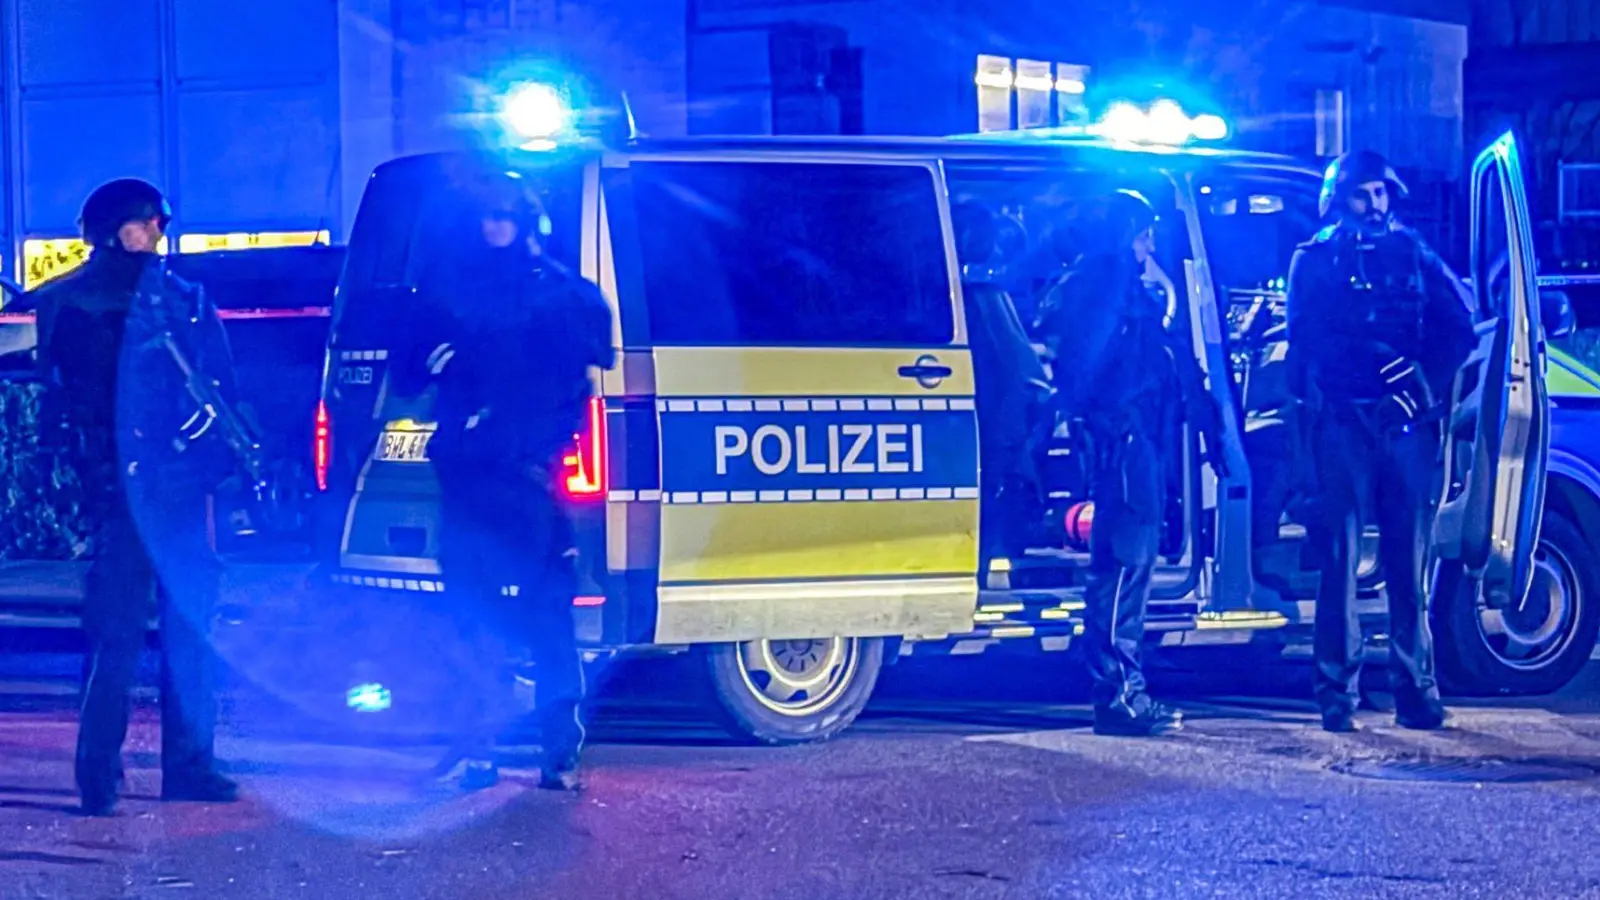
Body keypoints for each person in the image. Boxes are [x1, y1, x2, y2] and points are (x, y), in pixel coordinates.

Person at [33, 178, 240, 816]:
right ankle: (166, 767)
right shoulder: (163, 302)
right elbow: (80, 405)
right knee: (153, 632)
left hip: (143, 492)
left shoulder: (79, 302)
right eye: (148, 222)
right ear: (118, 228)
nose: (157, 232)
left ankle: (111, 775)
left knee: (131, 634)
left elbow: (217, 394)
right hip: (146, 493)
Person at [419, 174, 614, 791]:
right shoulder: (459, 293)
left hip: (529, 482)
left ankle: (559, 751)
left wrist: (525, 441)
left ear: (527, 223)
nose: (493, 229)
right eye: (486, 219)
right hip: (470, 482)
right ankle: (477, 750)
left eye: (504, 218)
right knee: (470, 618)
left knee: (546, 618)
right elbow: (417, 366)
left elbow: (572, 390)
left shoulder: (561, 298)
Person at [1285, 150, 1477, 733]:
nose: (1374, 205)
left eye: (1381, 194)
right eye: (1362, 194)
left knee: (1408, 560)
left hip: (1407, 426)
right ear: (1340, 198)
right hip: (1343, 419)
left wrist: (1419, 388)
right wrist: (1365, 367)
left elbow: (1460, 330)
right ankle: (1336, 697)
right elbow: (1304, 342)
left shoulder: (1414, 253)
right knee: (1340, 560)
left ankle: (1415, 691)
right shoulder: (1313, 259)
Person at [1036, 189, 1221, 737]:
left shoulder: (1105, 282)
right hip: (1126, 442)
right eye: (1143, 233)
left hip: (1135, 439)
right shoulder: (1106, 280)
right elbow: (1091, 369)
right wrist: (1115, 422)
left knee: (1128, 563)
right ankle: (1119, 696)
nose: (1149, 245)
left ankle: (1123, 690)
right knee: (1123, 564)